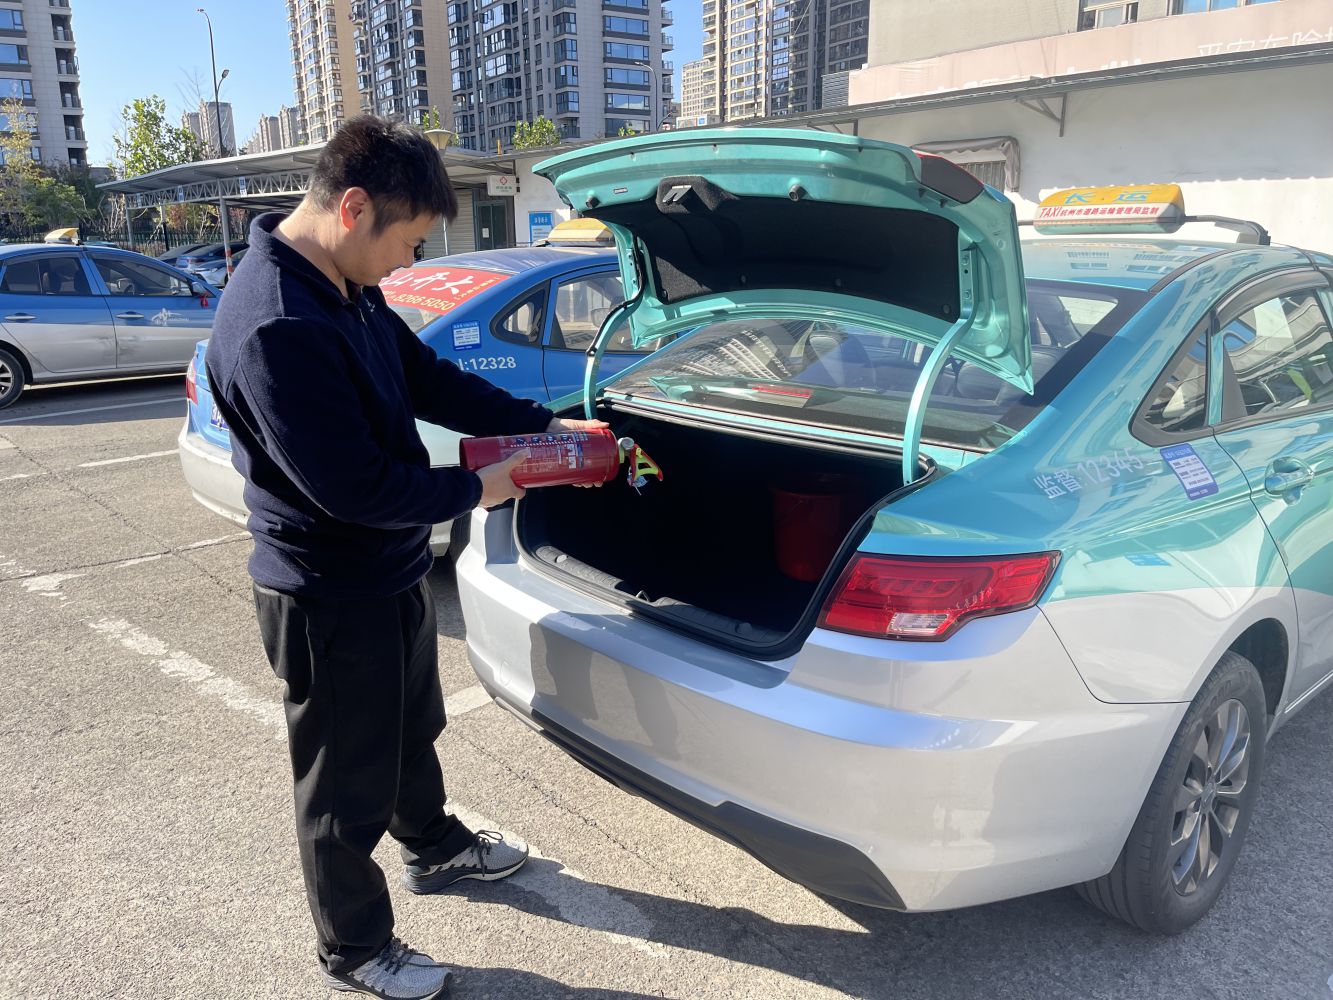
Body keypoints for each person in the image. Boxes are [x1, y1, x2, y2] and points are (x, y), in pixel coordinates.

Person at [205, 115, 606, 1000]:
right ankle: (354, 949)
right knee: (343, 786)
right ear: (353, 208)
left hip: (385, 569)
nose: (406, 264)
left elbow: (424, 377)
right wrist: (479, 488)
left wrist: (543, 425)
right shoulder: (278, 323)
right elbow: (354, 490)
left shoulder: (344, 283)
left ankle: (433, 845)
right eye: (408, 243)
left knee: (407, 728)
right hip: (327, 589)